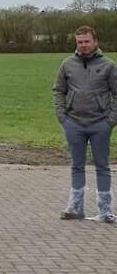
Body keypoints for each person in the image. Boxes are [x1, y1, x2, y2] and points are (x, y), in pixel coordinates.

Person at [54, 26, 117, 222]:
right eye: (80, 42)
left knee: (102, 165)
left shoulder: (108, 65)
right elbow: (58, 91)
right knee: (77, 165)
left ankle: (105, 211)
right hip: (74, 123)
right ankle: (75, 208)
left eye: (86, 41)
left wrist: (110, 121)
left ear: (95, 41)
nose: (83, 45)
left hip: (100, 124)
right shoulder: (67, 64)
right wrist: (63, 117)